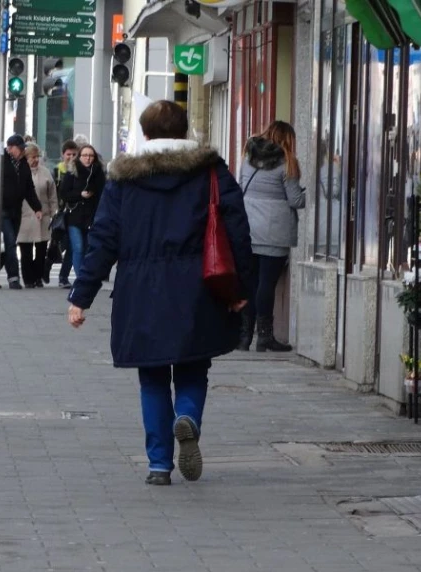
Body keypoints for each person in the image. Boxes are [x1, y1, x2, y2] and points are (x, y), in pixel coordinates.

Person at [66, 100, 254, 485]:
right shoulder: (211, 172)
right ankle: (187, 415)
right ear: (184, 132)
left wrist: (81, 296)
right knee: (193, 366)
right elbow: (237, 230)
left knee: (151, 376)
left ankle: (158, 465)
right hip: (199, 287)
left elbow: (103, 239)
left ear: (146, 134)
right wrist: (241, 287)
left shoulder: (124, 180)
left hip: (141, 290)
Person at [237, 121, 305, 352]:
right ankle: (265, 336)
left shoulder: (248, 158)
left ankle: (244, 336)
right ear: (287, 139)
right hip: (274, 232)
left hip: (248, 229)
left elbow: (241, 187)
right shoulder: (287, 163)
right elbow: (295, 200)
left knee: (251, 283)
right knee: (266, 284)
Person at [0, 134, 44, 290]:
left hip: (16, 211)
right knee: (10, 244)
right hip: (0, 210)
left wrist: (37, 207)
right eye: (17, 148)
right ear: (9, 148)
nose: (20, 152)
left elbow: (29, 188)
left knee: (6, 246)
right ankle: (13, 277)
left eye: (22, 149)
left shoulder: (23, 165)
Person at [59, 144, 105, 278]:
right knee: (77, 247)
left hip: (92, 216)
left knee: (87, 248)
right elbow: (64, 194)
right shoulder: (72, 172)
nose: (88, 159)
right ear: (80, 157)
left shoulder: (98, 174)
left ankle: (85, 275)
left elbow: (103, 194)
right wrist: (80, 194)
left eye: (91, 156)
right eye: (85, 155)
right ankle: (81, 278)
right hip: (74, 216)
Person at [18, 143, 58, 288]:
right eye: (32, 157)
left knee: (41, 250)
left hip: (43, 216)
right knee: (26, 250)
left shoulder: (45, 172)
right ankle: (28, 279)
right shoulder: (20, 171)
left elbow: (52, 195)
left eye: (37, 157)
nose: (35, 160)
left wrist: (55, 213)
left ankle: (38, 276)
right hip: (24, 216)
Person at [52, 140, 79, 288]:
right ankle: (46, 269)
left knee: (71, 246)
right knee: (57, 245)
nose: (72, 157)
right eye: (69, 154)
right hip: (60, 213)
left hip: (73, 214)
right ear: (63, 155)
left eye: (75, 154)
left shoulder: (79, 171)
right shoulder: (58, 171)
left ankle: (63, 276)